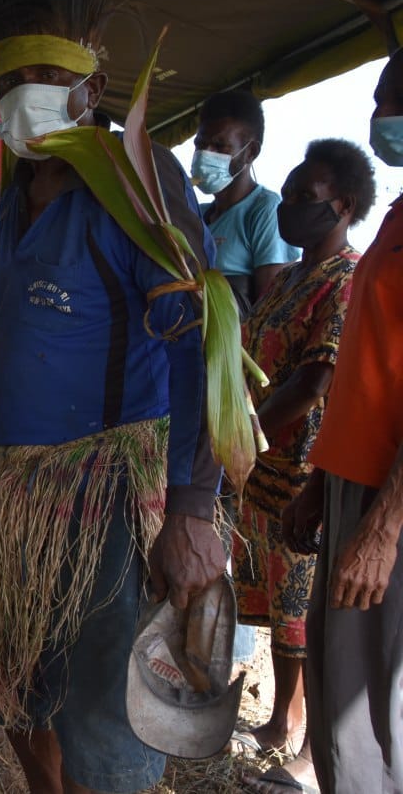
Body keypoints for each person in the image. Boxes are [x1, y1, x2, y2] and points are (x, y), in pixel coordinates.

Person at [0, 0, 224, 792]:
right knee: (14, 687)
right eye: (16, 78)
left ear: (94, 82)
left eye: (51, 75)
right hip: (18, 487)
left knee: (104, 716)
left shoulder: (135, 180)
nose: (32, 94)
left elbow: (197, 344)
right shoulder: (18, 197)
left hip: (108, 491)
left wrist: (192, 507)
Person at [229, 140, 374, 794]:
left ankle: (312, 745)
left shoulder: (346, 279)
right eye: (285, 193)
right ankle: (280, 721)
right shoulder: (288, 277)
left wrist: (250, 430)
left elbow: (316, 380)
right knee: (275, 606)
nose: (287, 206)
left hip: (303, 471)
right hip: (262, 467)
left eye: (304, 197)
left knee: (305, 614)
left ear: (343, 206)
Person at [283, 48, 403, 794]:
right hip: (350, 487)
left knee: (373, 722)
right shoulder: (397, 218)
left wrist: (385, 528)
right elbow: (370, 372)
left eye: (393, 99)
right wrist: (319, 485)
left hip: (388, 502)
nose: (379, 116)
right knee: (338, 704)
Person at [192, 89, 299, 316]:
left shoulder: (265, 210)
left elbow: (271, 306)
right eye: (200, 144)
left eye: (219, 146)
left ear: (251, 152)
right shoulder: (196, 215)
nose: (205, 153)